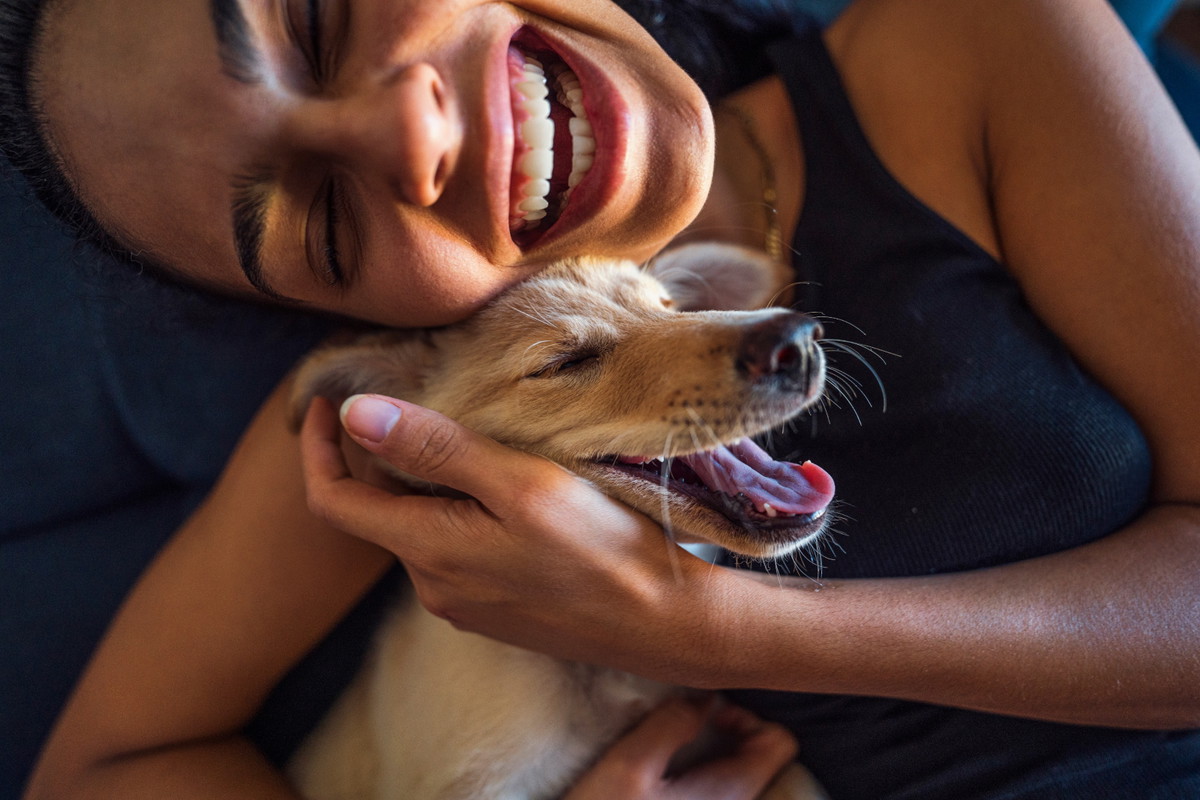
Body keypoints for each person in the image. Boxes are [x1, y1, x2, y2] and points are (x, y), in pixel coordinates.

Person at [2, 1, 1199, 799]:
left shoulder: (983, 40)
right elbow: (105, 767)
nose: (408, 131)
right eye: (322, 221)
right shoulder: (406, 408)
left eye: (315, 18)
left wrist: (701, 627)